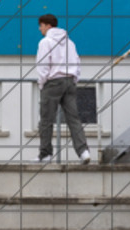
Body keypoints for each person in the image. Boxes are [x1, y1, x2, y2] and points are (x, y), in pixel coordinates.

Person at [35, 14, 91, 165]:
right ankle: (83, 152)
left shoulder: (45, 42)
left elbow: (43, 65)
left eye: (40, 25)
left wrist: (42, 84)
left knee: (46, 120)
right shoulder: (69, 42)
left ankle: (45, 155)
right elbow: (77, 63)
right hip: (70, 82)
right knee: (73, 119)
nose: (40, 29)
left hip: (53, 82)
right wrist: (74, 79)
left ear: (47, 25)